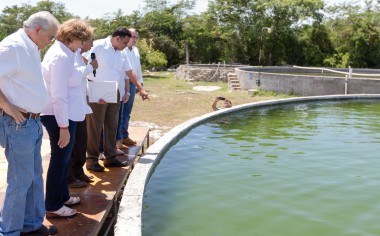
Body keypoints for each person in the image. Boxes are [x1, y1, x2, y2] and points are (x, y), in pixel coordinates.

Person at [0, 11, 59, 236]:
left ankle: (31, 225)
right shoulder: (13, 47)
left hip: (31, 123)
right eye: (50, 36)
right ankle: (9, 231)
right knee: (20, 180)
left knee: (34, 176)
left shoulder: (30, 46)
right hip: (18, 124)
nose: (50, 41)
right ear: (37, 30)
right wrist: (6, 105)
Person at [41, 19, 93, 218]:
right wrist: (63, 125)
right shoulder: (60, 56)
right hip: (58, 116)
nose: (82, 46)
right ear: (72, 37)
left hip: (65, 115)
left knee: (63, 160)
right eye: (82, 41)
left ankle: (61, 196)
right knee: (60, 160)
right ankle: (53, 204)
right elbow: (58, 94)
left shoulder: (66, 53)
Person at [85, 26, 149, 173]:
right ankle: (92, 160)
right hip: (97, 89)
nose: (126, 46)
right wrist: (92, 86)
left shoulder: (121, 52)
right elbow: (84, 63)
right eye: (125, 42)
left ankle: (110, 157)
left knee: (112, 126)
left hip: (115, 90)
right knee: (95, 127)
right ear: (117, 38)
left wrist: (140, 88)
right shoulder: (99, 45)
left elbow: (129, 71)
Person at [67, 36, 98, 188]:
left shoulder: (80, 56)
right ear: (83, 41)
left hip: (81, 105)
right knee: (72, 145)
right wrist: (91, 67)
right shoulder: (72, 55)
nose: (92, 45)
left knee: (81, 142)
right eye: (91, 41)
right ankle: (70, 177)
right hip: (71, 107)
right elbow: (75, 76)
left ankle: (79, 172)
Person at [116, 28, 143, 148]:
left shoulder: (135, 50)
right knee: (120, 112)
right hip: (123, 83)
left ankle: (124, 135)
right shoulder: (121, 49)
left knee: (127, 112)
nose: (134, 39)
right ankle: (118, 139)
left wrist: (140, 84)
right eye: (133, 36)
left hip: (133, 84)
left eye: (136, 37)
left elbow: (137, 68)